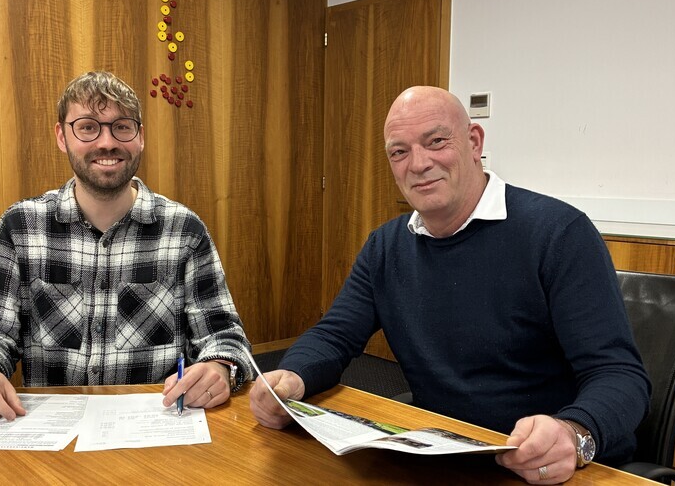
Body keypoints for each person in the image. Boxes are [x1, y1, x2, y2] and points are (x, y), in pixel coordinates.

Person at [250, 86, 651, 484]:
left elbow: (620, 375)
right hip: (442, 458)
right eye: (399, 152)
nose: (419, 163)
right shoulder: (386, 246)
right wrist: (292, 376)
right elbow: (335, 335)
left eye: (436, 141)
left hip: (545, 468)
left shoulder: (559, 234)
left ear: (474, 142)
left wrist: (574, 432)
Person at [0, 71, 252, 422]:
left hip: (158, 431)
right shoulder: (21, 226)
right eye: (88, 127)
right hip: (54, 441)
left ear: (140, 137)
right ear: (62, 136)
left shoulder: (184, 230)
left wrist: (220, 366)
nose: (107, 142)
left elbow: (225, 336)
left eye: (121, 127)